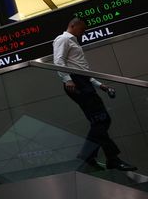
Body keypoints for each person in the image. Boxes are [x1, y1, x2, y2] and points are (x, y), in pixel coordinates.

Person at [53, 17, 136, 171]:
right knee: (102, 120)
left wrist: (100, 85)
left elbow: (80, 69)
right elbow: (58, 61)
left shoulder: (73, 41)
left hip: (82, 81)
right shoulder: (63, 39)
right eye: (82, 29)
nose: (83, 33)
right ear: (73, 25)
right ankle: (110, 158)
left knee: (100, 121)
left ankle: (89, 156)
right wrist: (67, 79)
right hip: (76, 83)